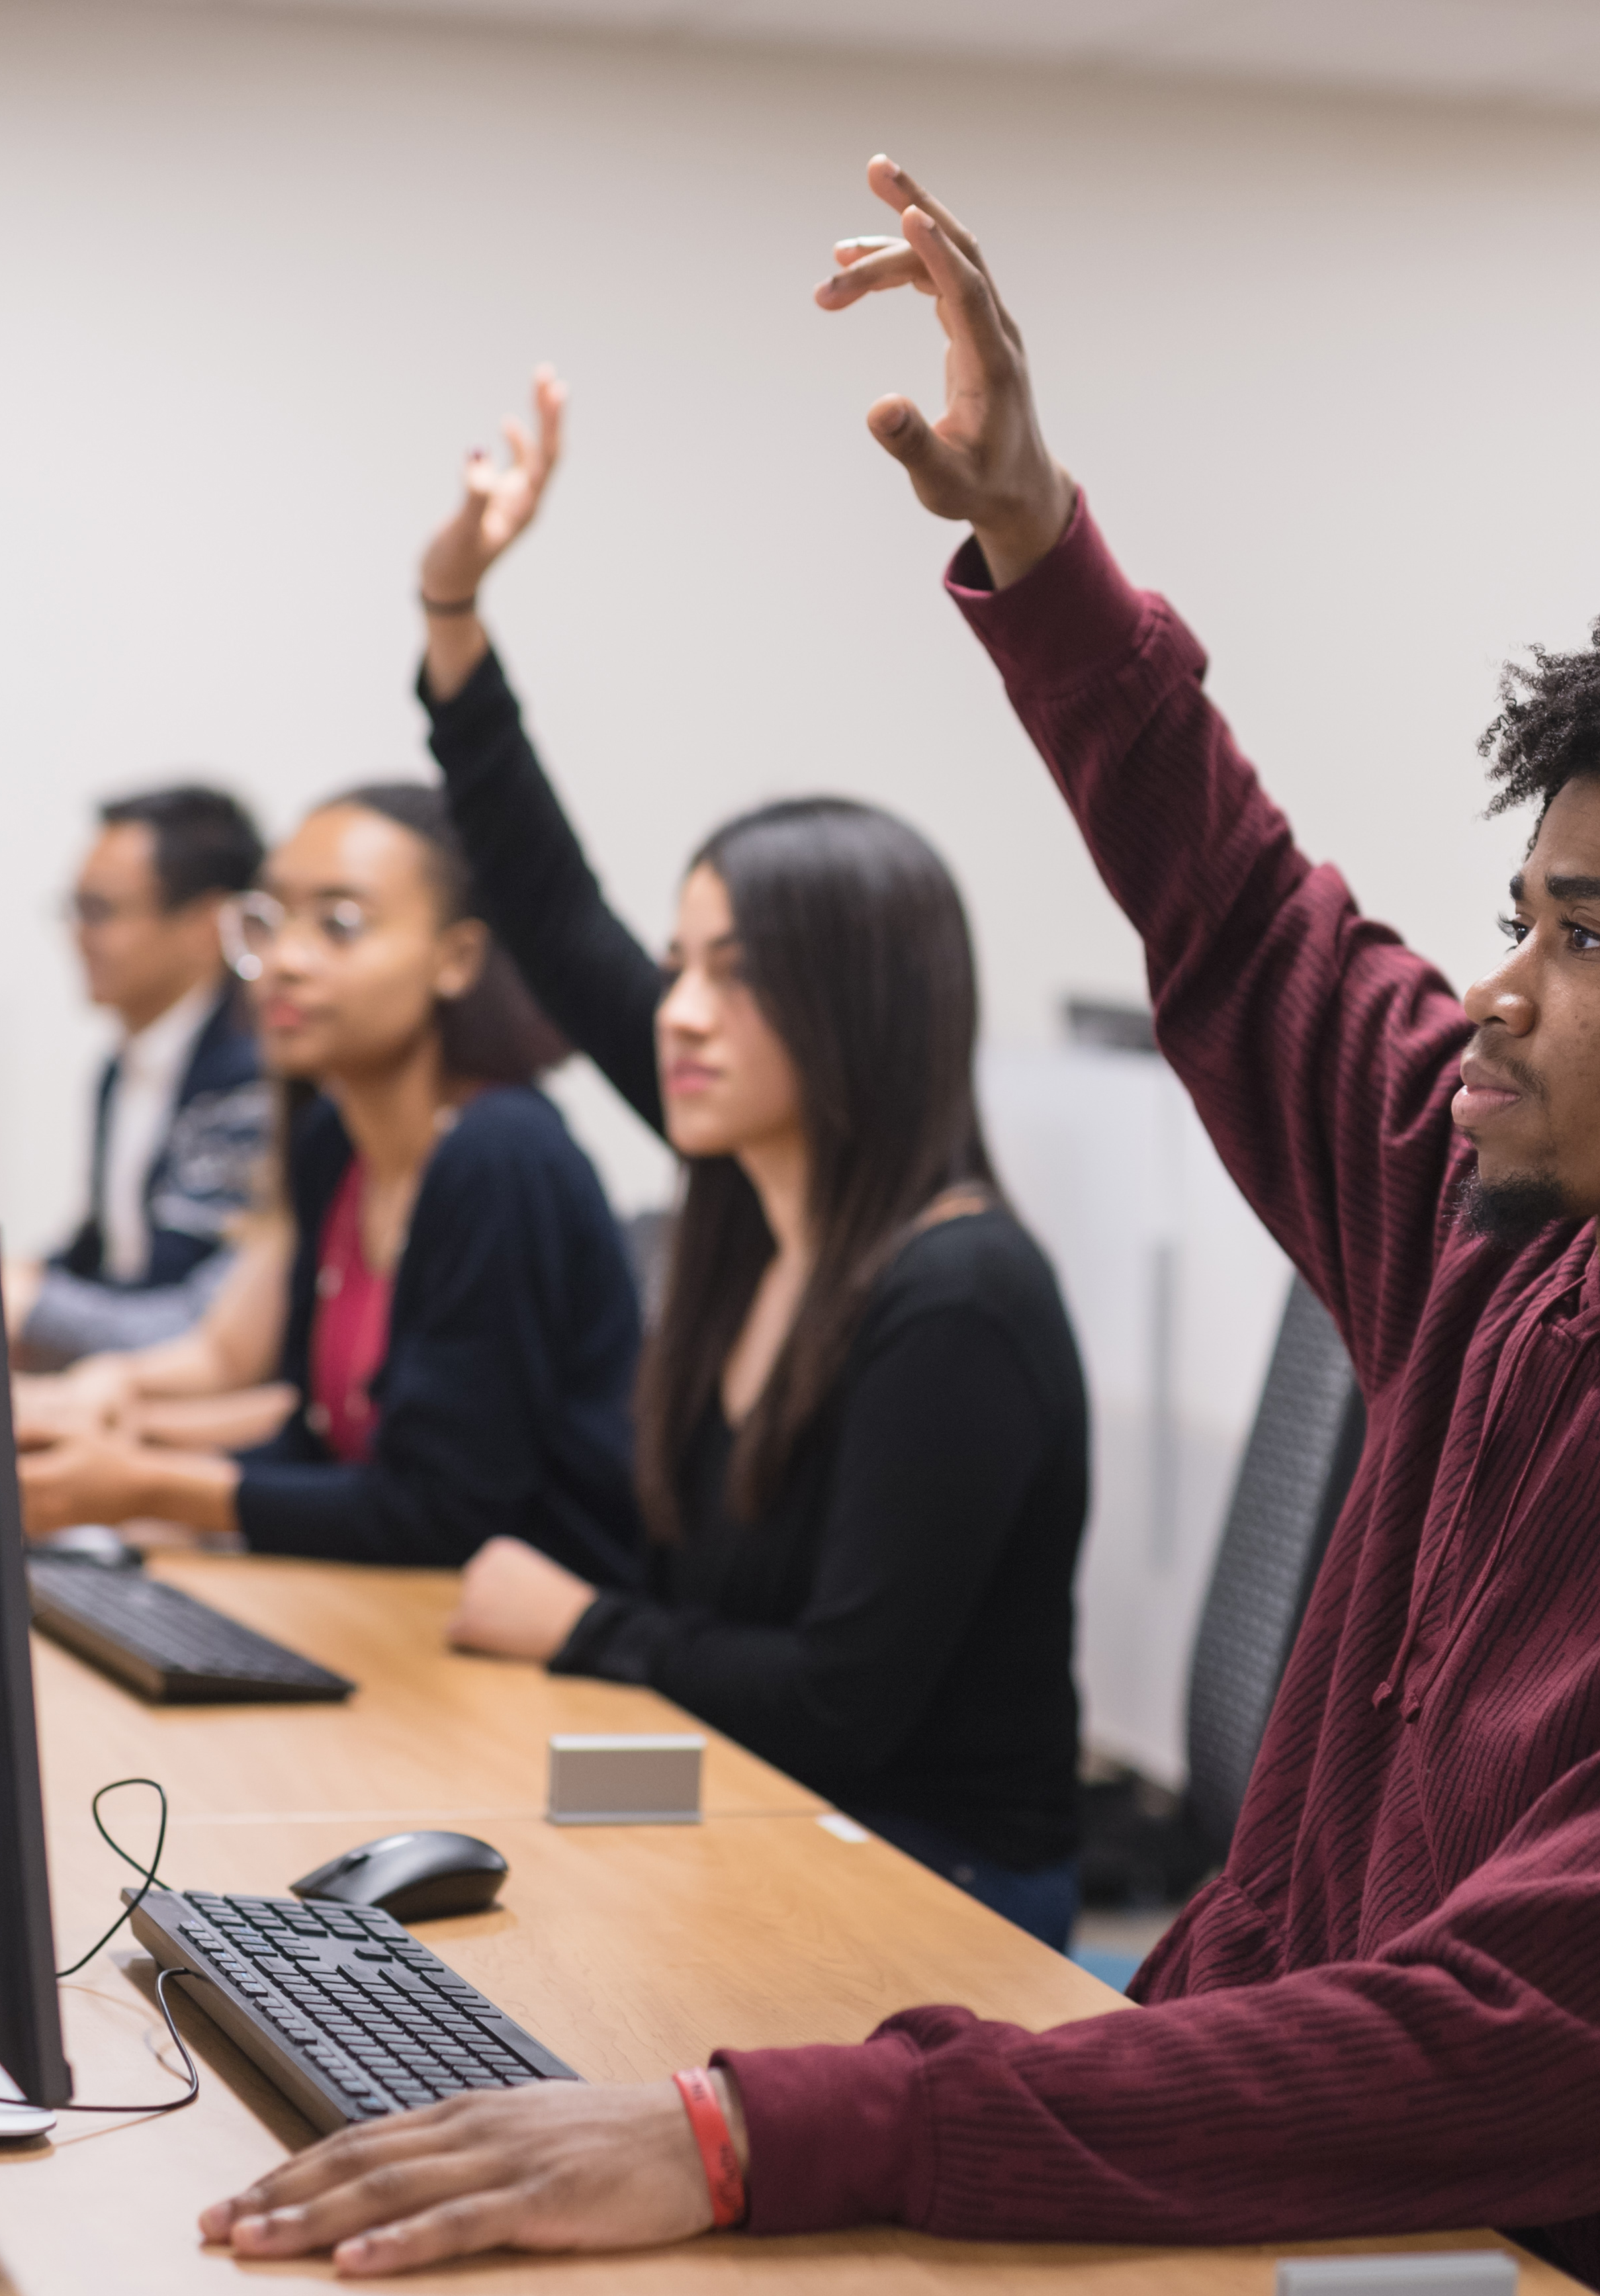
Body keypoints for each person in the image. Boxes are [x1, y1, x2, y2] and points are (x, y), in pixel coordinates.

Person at [199, 155, 1600, 2296]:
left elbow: (1499, 2055)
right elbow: (1241, 908)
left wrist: (769, 2136)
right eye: (1517, 917)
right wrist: (1037, 543)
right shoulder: (1511, 1245)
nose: (1499, 991)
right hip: (1255, 2210)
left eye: (1584, 939)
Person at [409, 371, 1092, 1947]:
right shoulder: (750, 1190)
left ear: (853, 1008)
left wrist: (580, 1621)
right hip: (759, 1801)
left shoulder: (957, 1298)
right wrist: (450, 608)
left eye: (735, 972)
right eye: (680, 962)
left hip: (936, 1885)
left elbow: (842, 1707)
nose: (680, 1012)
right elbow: (548, 905)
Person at [14, 784, 644, 1577]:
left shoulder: (500, 1155)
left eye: (339, 926)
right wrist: (122, 1444)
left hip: (524, 1638)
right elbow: (318, 1439)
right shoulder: (332, 1142)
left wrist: (146, 1483)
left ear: (457, 960)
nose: (284, 961)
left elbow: (443, 1510)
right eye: (269, 923)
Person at [8, 782, 277, 1370]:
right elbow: (105, 1250)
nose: (77, 934)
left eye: (100, 911)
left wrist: (29, 1305)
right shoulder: (121, 1067)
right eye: (74, 908)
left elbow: (191, 1315)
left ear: (210, 924)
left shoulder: (252, 1084)